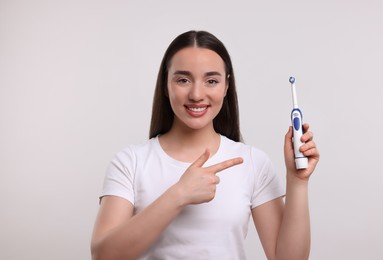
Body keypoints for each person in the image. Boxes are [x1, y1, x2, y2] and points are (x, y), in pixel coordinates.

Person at [91, 30, 320, 260]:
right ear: (165, 84)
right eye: (183, 80)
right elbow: (103, 255)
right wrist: (179, 195)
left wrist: (297, 182)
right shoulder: (131, 162)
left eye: (211, 81)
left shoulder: (253, 162)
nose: (197, 94)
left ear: (226, 86)